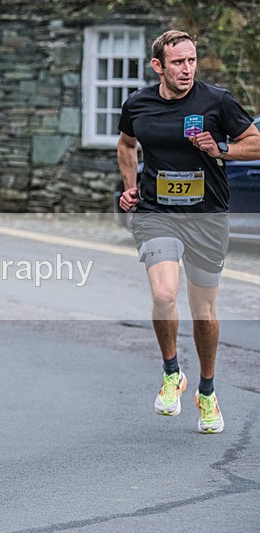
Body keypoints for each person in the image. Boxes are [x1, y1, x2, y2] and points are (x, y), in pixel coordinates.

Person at [117, 30, 260, 434]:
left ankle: (207, 391)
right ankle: (171, 372)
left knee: (203, 313)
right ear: (158, 65)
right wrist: (130, 185)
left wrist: (222, 149)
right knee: (164, 293)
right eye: (178, 62)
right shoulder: (138, 104)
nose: (187, 69)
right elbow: (126, 144)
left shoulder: (217, 101)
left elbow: (255, 142)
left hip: (206, 217)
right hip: (156, 212)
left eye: (192, 60)